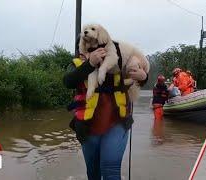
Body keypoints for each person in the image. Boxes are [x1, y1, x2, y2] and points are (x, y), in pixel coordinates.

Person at [63, 44, 148, 180]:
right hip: (88, 126)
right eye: (89, 48)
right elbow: (68, 81)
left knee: (111, 168)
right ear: (81, 52)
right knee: (93, 171)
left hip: (117, 123)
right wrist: (90, 64)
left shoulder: (116, 62)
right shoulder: (76, 65)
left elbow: (136, 76)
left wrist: (144, 77)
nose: (96, 51)